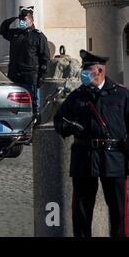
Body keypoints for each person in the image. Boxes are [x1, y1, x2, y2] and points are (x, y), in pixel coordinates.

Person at [54, 50, 129, 237]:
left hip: (114, 157)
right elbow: (58, 120)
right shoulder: (77, 96)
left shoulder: (121, 95)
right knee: (81, 209)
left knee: (119, 209)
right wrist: (69, 127)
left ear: (100, 71)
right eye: (84, 69)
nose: (84, 73)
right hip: (84, 156)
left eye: (89, 70)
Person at [0, 6, 50, 118]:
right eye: (21, 20)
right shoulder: (16, 34)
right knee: (14, 101)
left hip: (30, 75)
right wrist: (13, 19)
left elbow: (45, 57)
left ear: (31, 21)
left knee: (32, 102)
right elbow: (2, 31)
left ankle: (34, 123)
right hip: (14, 74)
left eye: (24, 20)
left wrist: (42, 76)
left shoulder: (38, 36)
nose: (22, 22)